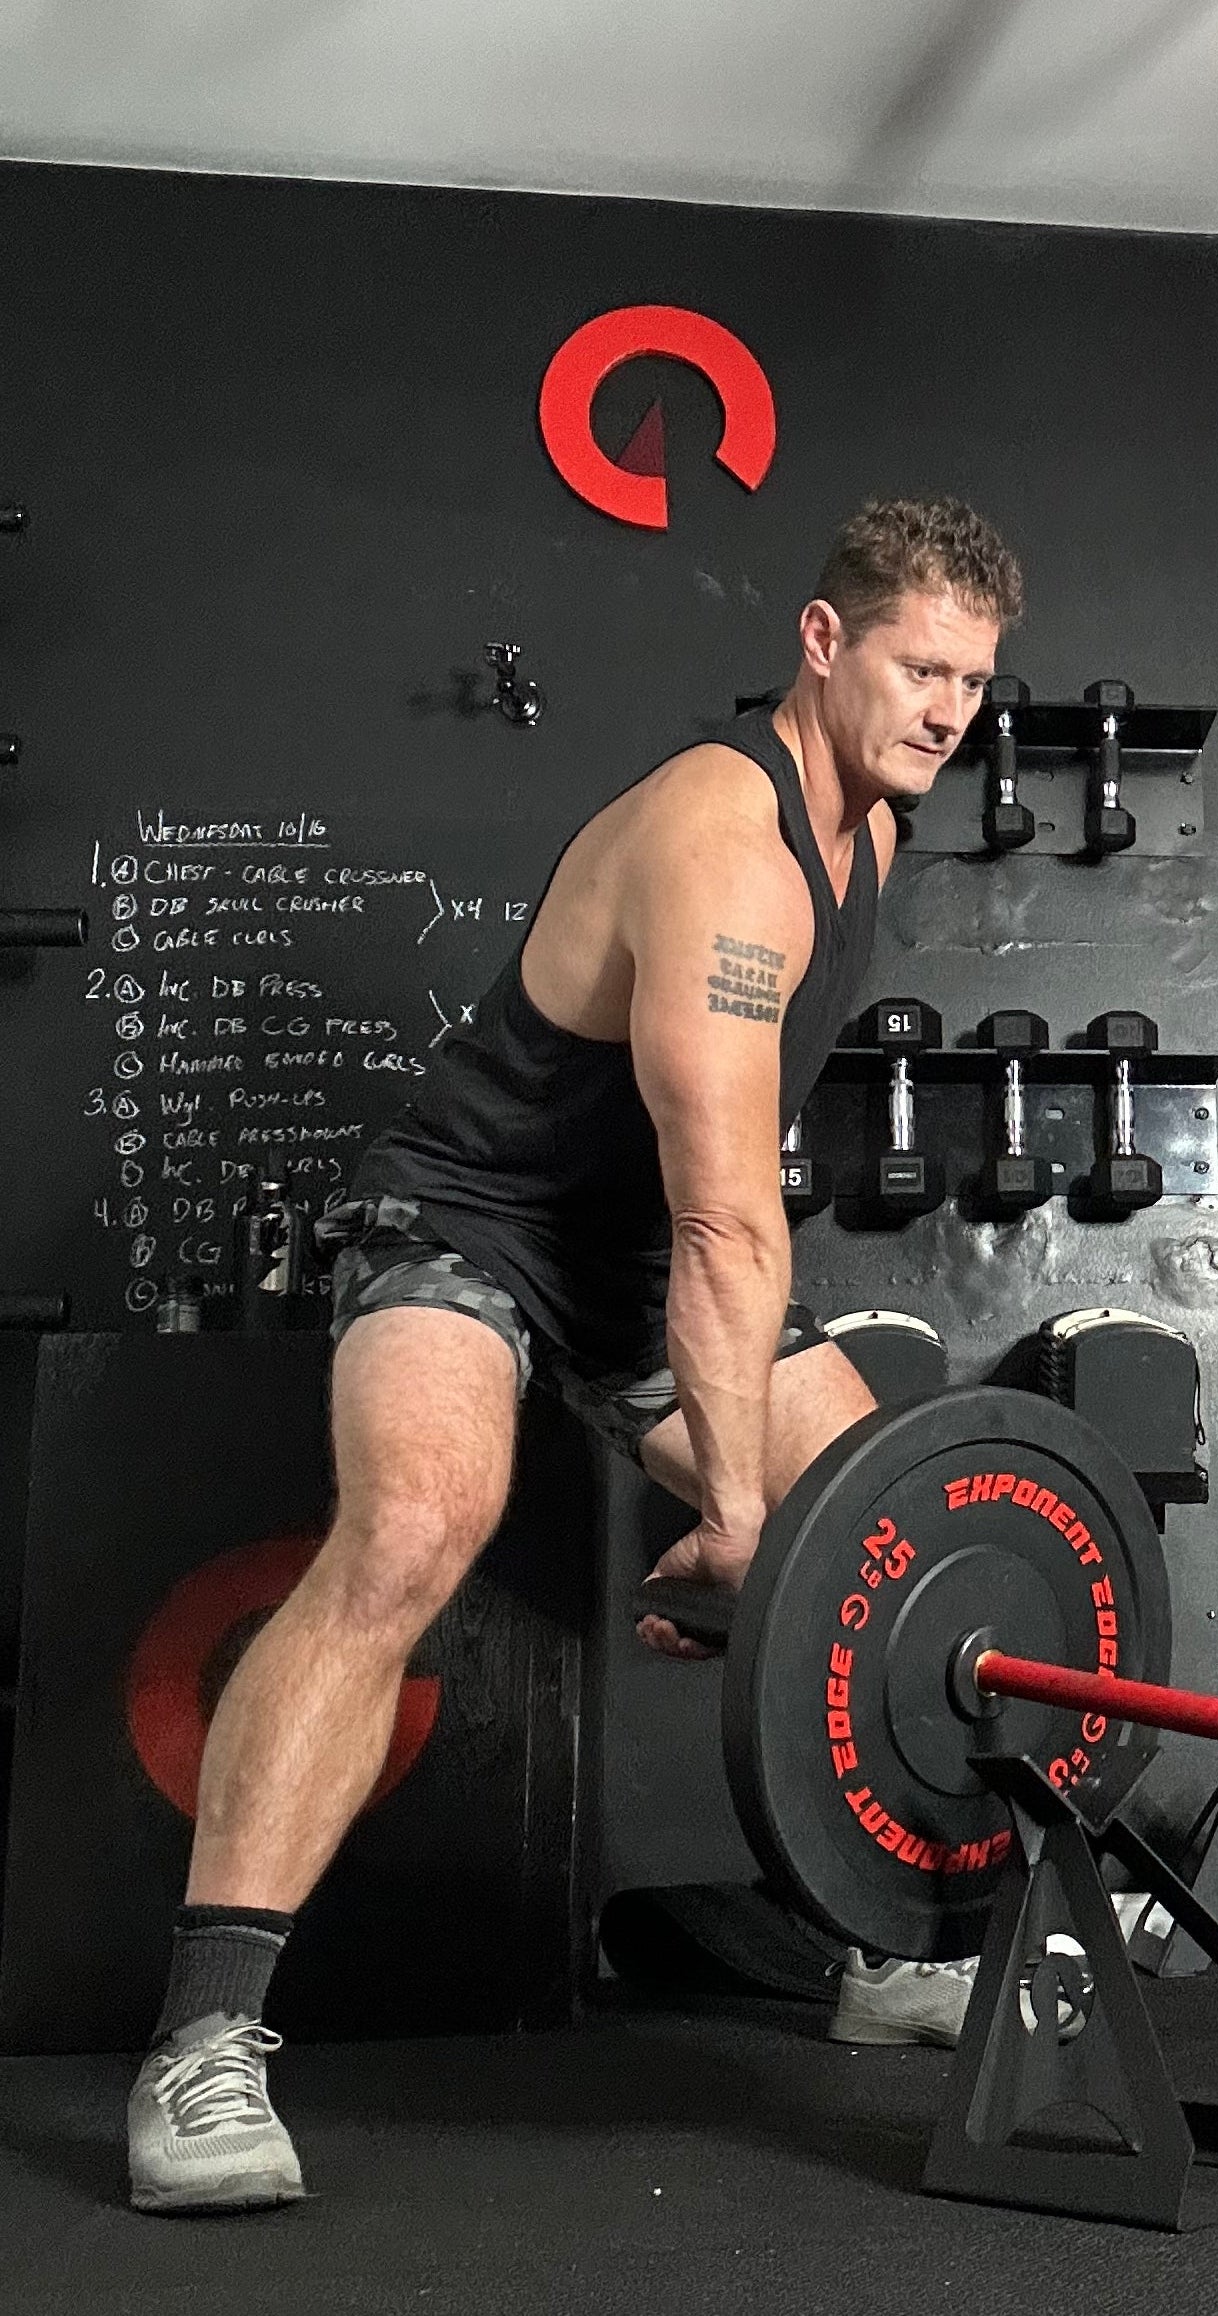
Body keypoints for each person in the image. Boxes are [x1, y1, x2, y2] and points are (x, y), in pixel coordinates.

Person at [126, 497, 1023, 2214]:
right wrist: (738, 1522)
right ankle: (203, 2049)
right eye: (921, 668)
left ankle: (880, 1946)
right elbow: (722, 1225)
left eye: (974, 682)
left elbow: (704, 1209)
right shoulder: (725, 839)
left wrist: (776, 1513)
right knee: (412, 1529)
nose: (947, 711)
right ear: (822, 644)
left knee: (890, 1530)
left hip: (627, 1254)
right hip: (468, 1222)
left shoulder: (876, 837)